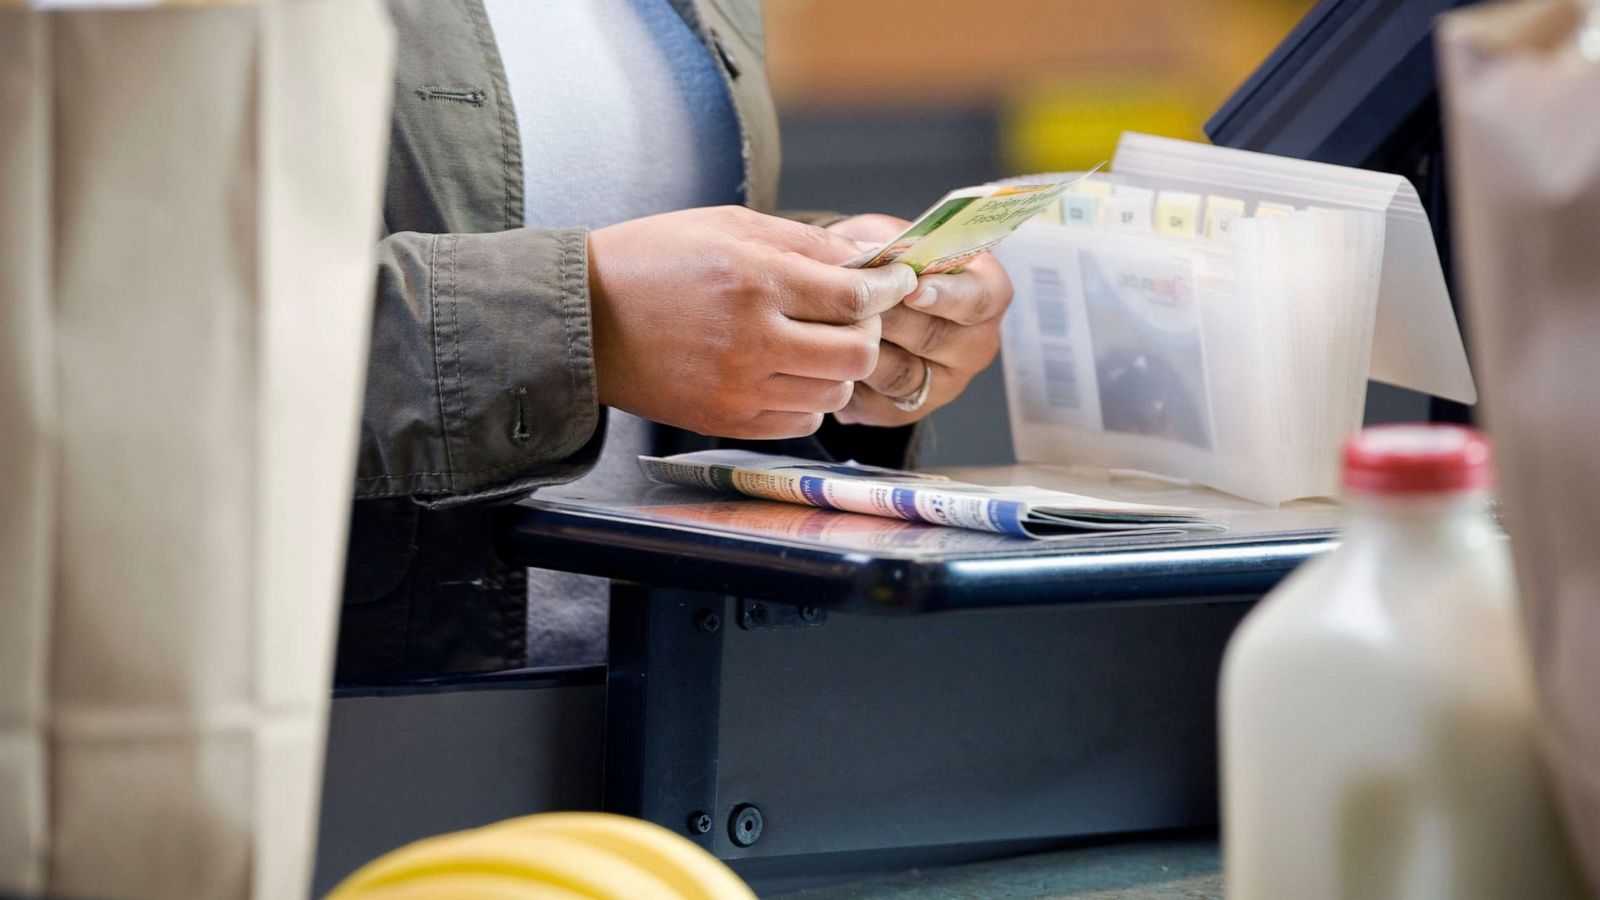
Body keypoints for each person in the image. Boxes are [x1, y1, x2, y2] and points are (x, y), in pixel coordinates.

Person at [336, 0, 1014, 680]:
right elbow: (233, 330)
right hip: (355, 716)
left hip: (673, 693)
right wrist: (586, 319)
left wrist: (828, 308)